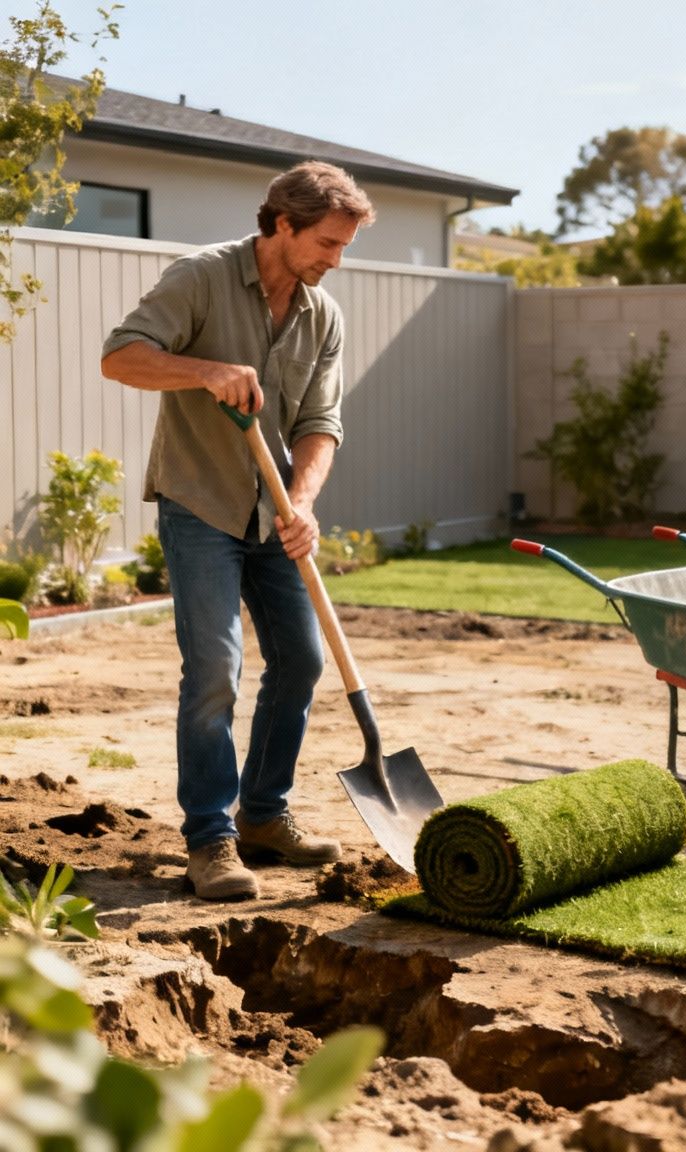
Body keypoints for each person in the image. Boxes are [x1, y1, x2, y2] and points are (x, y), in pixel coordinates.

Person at [100, 162, 374, 900]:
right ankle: (212, 839)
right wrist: (204, 371)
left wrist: (304, 504)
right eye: (325, 242)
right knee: (216, 670)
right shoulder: (201, 277)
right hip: (202, 505)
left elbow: (320, 424)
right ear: (281, 224)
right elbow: (120, 357)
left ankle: (263, 814)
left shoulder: (322, 315)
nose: (334, 260)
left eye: (344, 246)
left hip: (276, 511)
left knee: (302, 662)